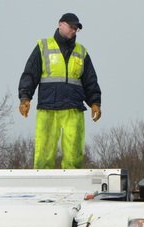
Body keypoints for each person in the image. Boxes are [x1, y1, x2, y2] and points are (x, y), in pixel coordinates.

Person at [18, 13, 102, 169]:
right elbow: (30, 74)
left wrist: (95, 102)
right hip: (48, 109)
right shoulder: (43, 47)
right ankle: (42, 188)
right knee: (44, 153)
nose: (74, 30)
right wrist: (25, 97)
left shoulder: (81, 51)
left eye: (76, 28)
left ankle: (73, 188)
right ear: (60, 24)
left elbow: (90, 80)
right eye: (71, 27)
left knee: (73, 154)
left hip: (73, 109)